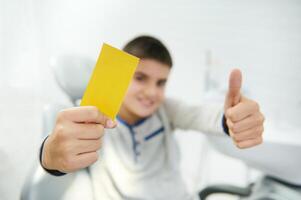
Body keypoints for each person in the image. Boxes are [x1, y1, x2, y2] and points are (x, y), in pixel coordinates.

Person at [40, 35, 265, 200]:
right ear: (121, 76)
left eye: (161, 83)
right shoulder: (95, 116)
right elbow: (61, 147)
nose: (151, 92)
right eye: (140, 78)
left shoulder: (166, 110)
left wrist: (230, 119)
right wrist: (50, 155)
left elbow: (199, 115)